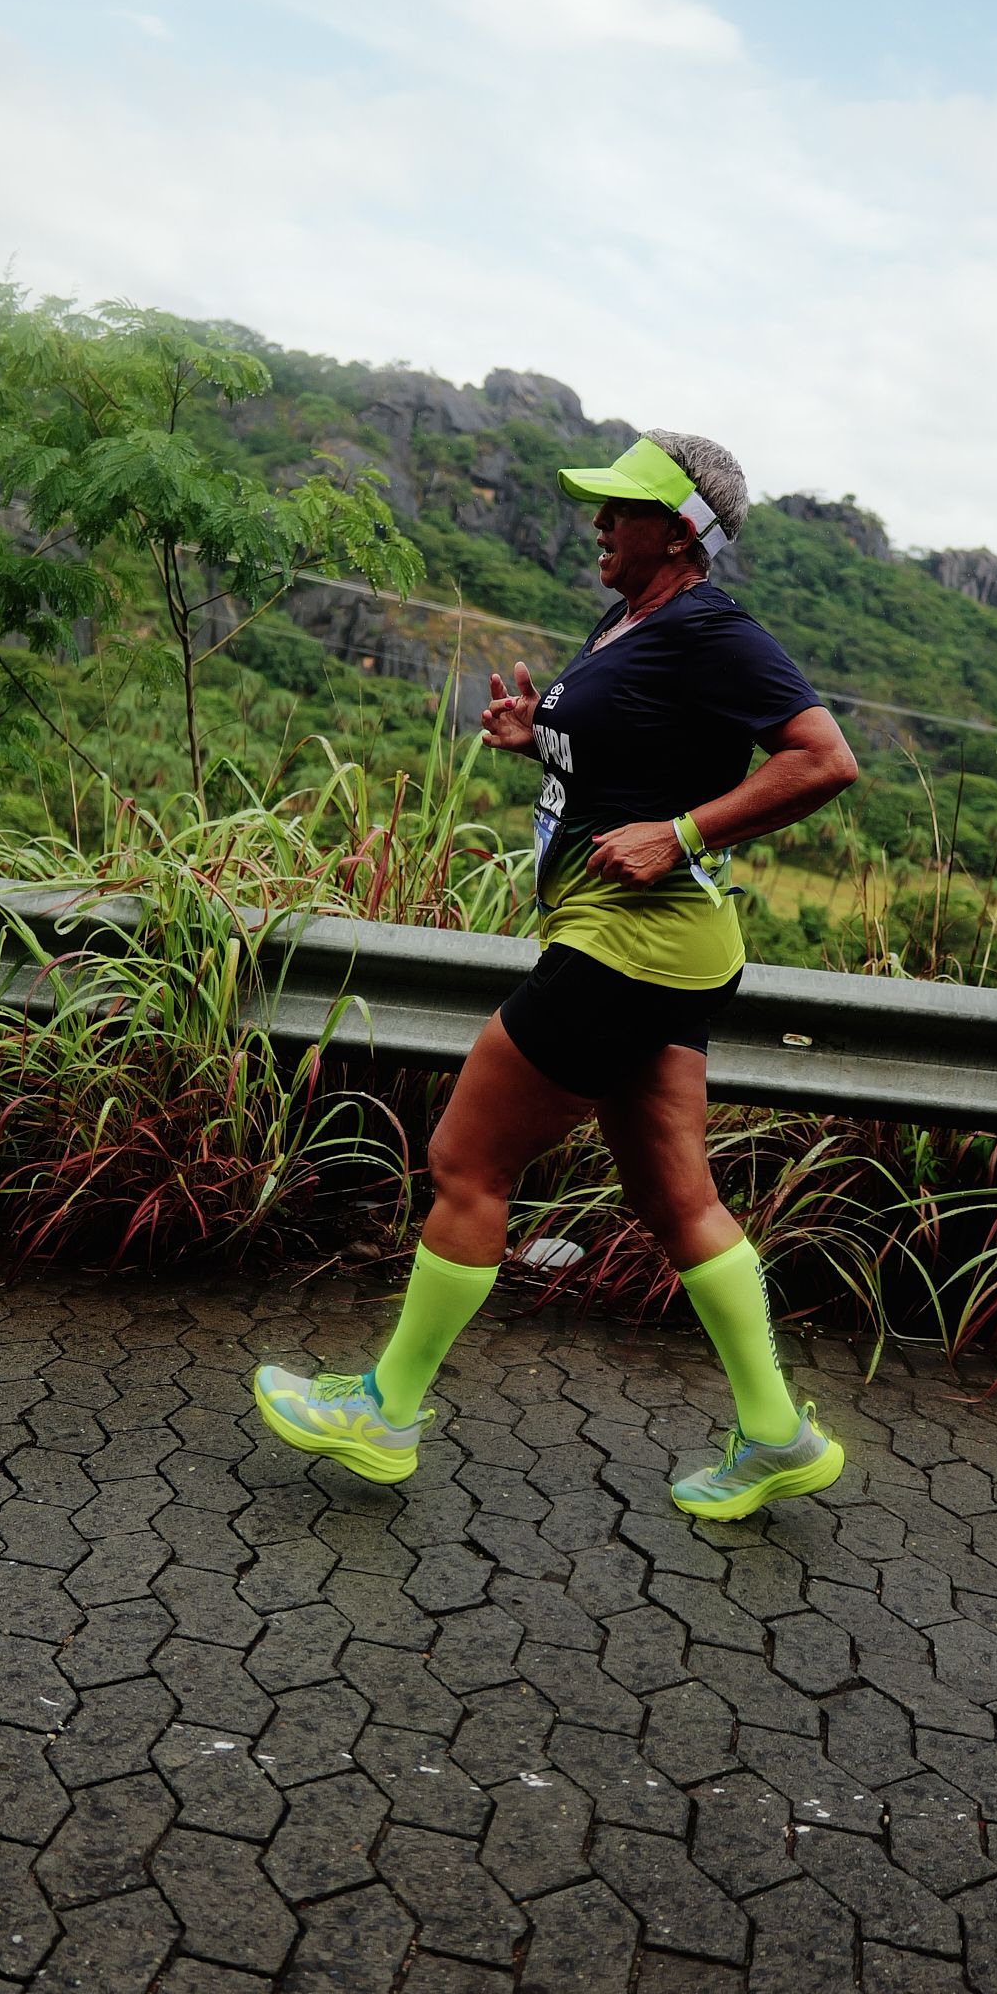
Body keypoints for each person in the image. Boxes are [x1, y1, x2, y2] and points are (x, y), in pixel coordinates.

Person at [254, 428, 860, 1521]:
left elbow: (823, 759)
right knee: (675, 1197)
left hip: (630, 943)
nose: (598, 522)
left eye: (619, 508)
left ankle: (385, 1413)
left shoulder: (712, 628)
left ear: (679, 531)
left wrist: (680, 833)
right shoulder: (631, 621)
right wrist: (539, 737)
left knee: (464, 1160)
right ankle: (776, 1435)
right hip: (662, 947)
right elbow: (635, 751)